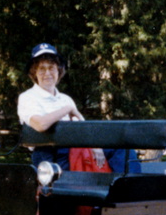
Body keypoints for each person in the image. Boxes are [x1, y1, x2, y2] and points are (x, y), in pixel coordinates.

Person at [17, 43, 139, 173]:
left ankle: (131, 187)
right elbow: (40, 124)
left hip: (74, 148)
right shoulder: (28, 97)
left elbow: (82, 126)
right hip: (49, 153)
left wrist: (95, 146)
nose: (47, 73)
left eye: (52, 68)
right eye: (42, 68)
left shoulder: (65, 99)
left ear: (59, 70)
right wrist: (67, 109)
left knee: (122, 149)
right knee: (61, 187)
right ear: (34, 72)